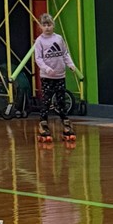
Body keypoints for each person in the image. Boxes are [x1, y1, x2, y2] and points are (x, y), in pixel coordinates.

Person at [34, 13, 80, 141]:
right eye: (44, 25)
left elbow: (65, 53)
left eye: (49, 25)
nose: (47, 27)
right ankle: (43, 124)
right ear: (41, 27)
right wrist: (47, 69)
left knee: (61, 100)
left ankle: (66, 124)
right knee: (46, 100)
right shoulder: (39, 41)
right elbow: (38, 58)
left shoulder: (58, 38)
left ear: (53, 25)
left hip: (60, 75)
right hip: (47, 76)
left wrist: (70, 64)